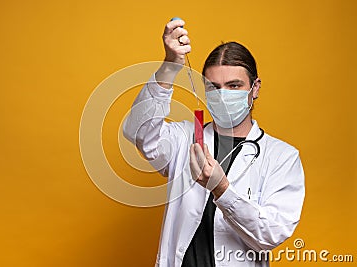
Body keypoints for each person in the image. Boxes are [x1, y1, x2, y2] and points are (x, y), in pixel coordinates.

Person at [123, 19, 305, 267]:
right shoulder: (184, 138)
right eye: (214, 87)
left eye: (234, 86)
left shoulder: (281, 157)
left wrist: (222, 189)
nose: (223, 95)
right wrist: (169, 66)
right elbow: (139, 132)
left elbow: (271, 234)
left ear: (255, 88)